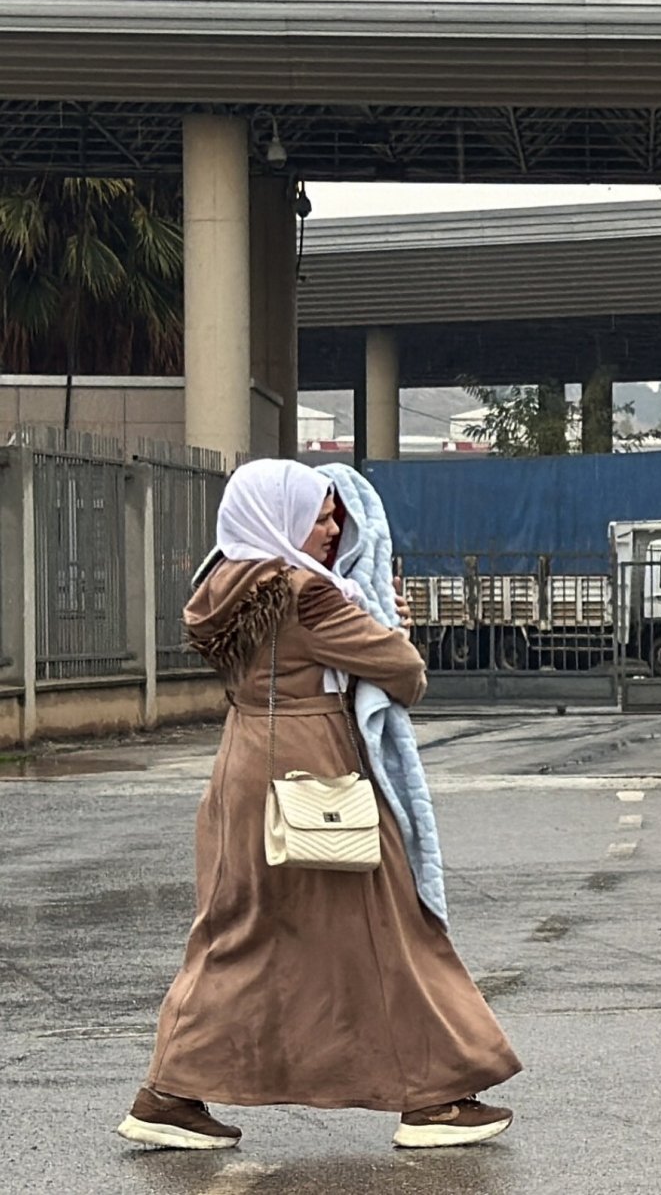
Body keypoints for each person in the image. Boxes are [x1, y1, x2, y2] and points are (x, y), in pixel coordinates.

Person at [117, 460, 521, 1152]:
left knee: (242, 930)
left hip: (245, 766)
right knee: (390, 924)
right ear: (281, 518)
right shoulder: (306, 591)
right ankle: (433, 1098)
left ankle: (170, 1093)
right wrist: (381, 614)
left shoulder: (225, 582)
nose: (333, 529)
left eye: (335, 515)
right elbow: (403, 672)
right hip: (317, 766)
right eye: (319, 515)